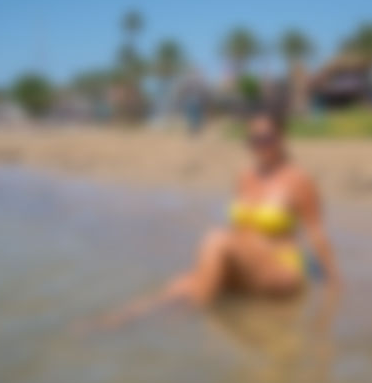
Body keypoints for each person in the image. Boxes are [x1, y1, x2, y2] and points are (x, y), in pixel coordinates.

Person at [82, 110, 342, 329]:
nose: (259, 146)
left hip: (282, 270)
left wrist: (333, 286)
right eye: (252, 140)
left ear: (281, 138)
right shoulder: (244, 176)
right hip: (248, 268)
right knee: (179, 285)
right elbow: (238, 232)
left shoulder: (298, 180)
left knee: (214, 240)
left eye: (266, 138)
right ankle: (114, 323)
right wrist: (208, 270)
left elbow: (316, 233)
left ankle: (182, 334)